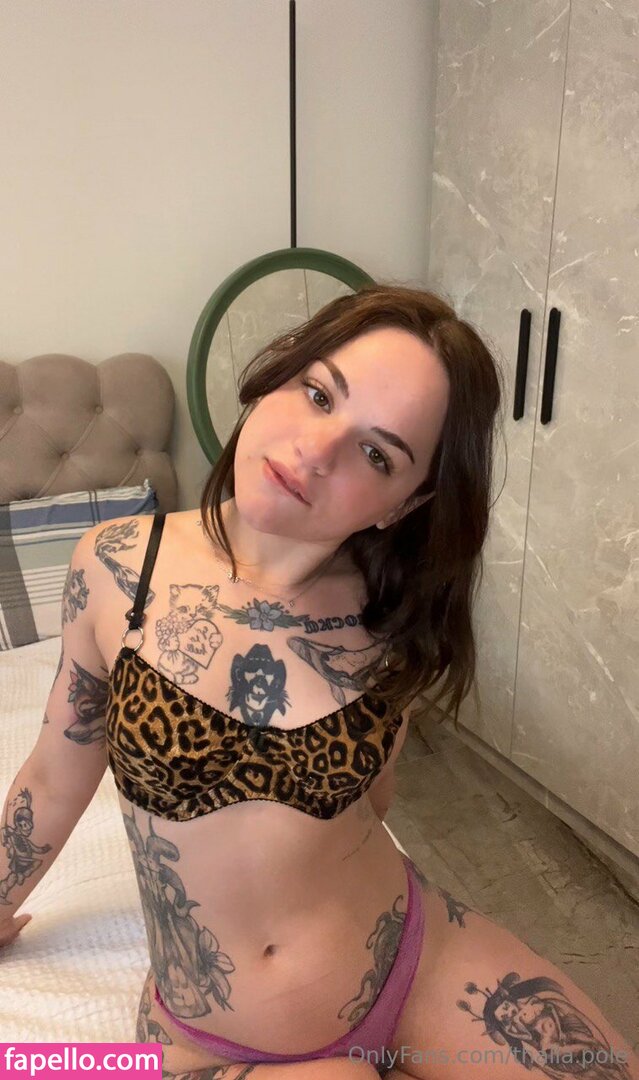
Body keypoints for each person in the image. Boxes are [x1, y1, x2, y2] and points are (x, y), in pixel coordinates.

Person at [1, 284, 637, 1080]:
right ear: (277, 375)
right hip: (220, 1038)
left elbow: (372, 805)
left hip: (413, 956)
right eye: (318, 394)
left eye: (377, 455)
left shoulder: (391, 618)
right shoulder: (115, 565)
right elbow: (54, 774)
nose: (314, 451)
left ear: (403, 502)